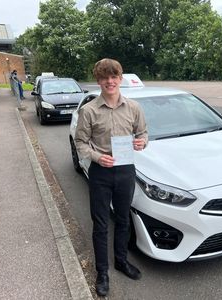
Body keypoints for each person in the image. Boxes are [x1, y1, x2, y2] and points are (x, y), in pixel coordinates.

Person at [74, 58, 148, 297]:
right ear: (99, 81)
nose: (110, 81)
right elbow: (80, 143)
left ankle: (121, 261)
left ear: (120, 78)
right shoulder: (89, 111)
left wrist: (141, 142)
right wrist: (96, 157)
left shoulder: (134, 107)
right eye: (105, 77)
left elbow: (144, 133)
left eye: (114, 76)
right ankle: (102, 271)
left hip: (126, 171)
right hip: (101, 173)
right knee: (101, 223)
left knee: (124, 219)